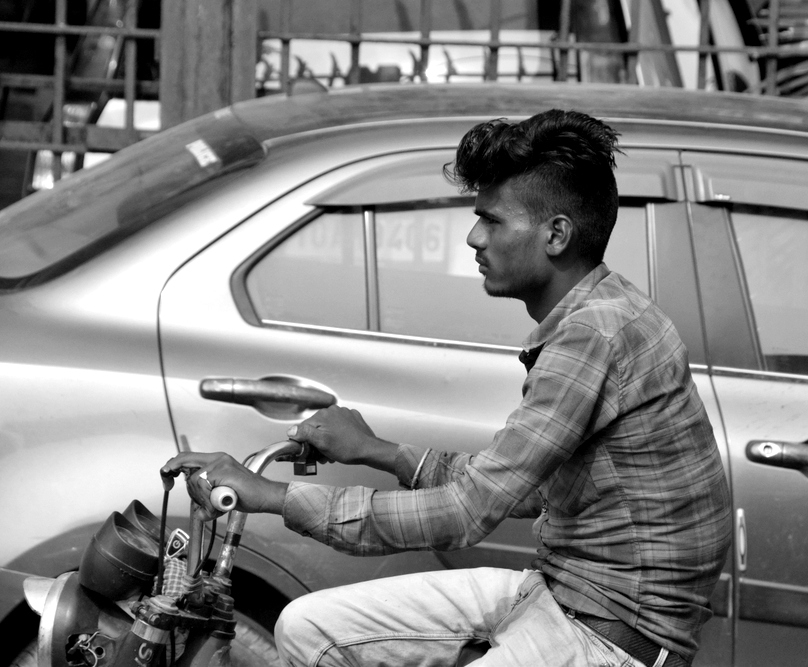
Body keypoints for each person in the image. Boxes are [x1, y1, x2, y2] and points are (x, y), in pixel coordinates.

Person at [163, 109, 732, 667]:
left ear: (556, 234)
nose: (473, 237)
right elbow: (521, 489)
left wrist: (270, 496)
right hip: (559, 593)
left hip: (609, 635)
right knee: (309, 628)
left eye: (493, 220)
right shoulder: (602, 310)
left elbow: (467, 513)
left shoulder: (593, 336)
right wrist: (377, 451)